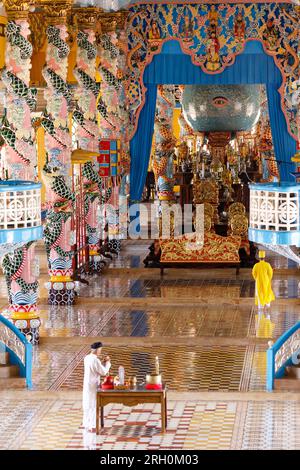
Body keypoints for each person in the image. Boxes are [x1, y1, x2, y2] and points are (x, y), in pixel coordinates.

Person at [82, 342, 111, 431]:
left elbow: (94, 368)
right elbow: (103, 372)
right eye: (100, 350)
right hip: (93, 385)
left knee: (87, 403)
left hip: (87, 384)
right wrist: (108, 363)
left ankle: (86, 424)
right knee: (93, 404)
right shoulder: (95, 360)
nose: (100, 352)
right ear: (97, 350)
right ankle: (92, 426)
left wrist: (102, 362)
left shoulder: (86, 358)